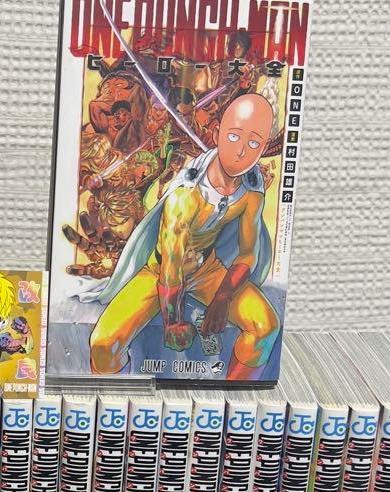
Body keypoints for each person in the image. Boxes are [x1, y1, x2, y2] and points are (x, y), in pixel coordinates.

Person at [90, 93, 279, 379]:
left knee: (266, 326)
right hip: (161, 270)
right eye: (233, 137)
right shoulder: (186, 193)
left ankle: (235, 398)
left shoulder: (252, 191)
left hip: (208, 269)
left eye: (253, 143)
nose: (241, 151)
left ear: (263, 148)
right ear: (217, 133)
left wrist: (224, 296)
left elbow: (248, 253)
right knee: (103, 344)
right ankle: (110, 399)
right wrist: (172, 320)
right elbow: (171, 263)